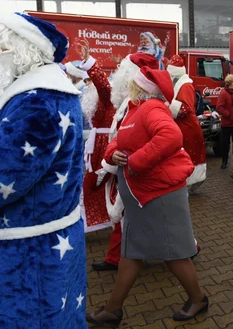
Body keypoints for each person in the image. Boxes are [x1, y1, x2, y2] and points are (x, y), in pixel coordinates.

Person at [0, 13, 86, 327]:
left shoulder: (37, 102)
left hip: (25, 253)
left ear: (20, 50)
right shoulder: (40, 94)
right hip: (42, 244)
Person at [86, 67, 207, 326]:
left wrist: (135, 162)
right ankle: (113, 309)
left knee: (173, 253)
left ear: (139, 87)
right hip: (141, 194)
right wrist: (112, 154)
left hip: (159, 193)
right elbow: (118, 140)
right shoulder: (133, 110)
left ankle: (197, 299)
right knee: (132, 252)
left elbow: (171, 136)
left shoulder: (151, 108)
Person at [90, 52, 160, 271]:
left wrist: (128, 158)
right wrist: (112, 155)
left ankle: (186, 248)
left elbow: (162, 140)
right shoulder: (128, 103)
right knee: (130, 217)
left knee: (137, 216)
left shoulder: (147, 106)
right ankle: (117, 257)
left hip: (138, 171)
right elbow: (119, 137)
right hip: (126, 167)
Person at [70, 40, 117, 233]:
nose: (88, 84)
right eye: (86, 80)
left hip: (104, 145)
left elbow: (102, 84)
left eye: (91, 80)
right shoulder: (91, 98)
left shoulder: (106, 96)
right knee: (92, 183)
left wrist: (89, 62)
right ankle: (92, 220)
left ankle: (102, 219)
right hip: (95, 144)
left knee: (97, 182)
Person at [167, 56, 207, 192]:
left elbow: (185, 108)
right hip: (183, 127)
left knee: (189, 156)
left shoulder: (185, 86)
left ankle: (188, 182)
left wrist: (166, 105)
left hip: (188, 128)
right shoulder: (180, 84)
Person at [216, 74, 233, 169]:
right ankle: (224, 161)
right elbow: (219, 107)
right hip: (226, 123)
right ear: (231, 83)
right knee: (225, 144)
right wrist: (228, 115)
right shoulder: (224, 93)